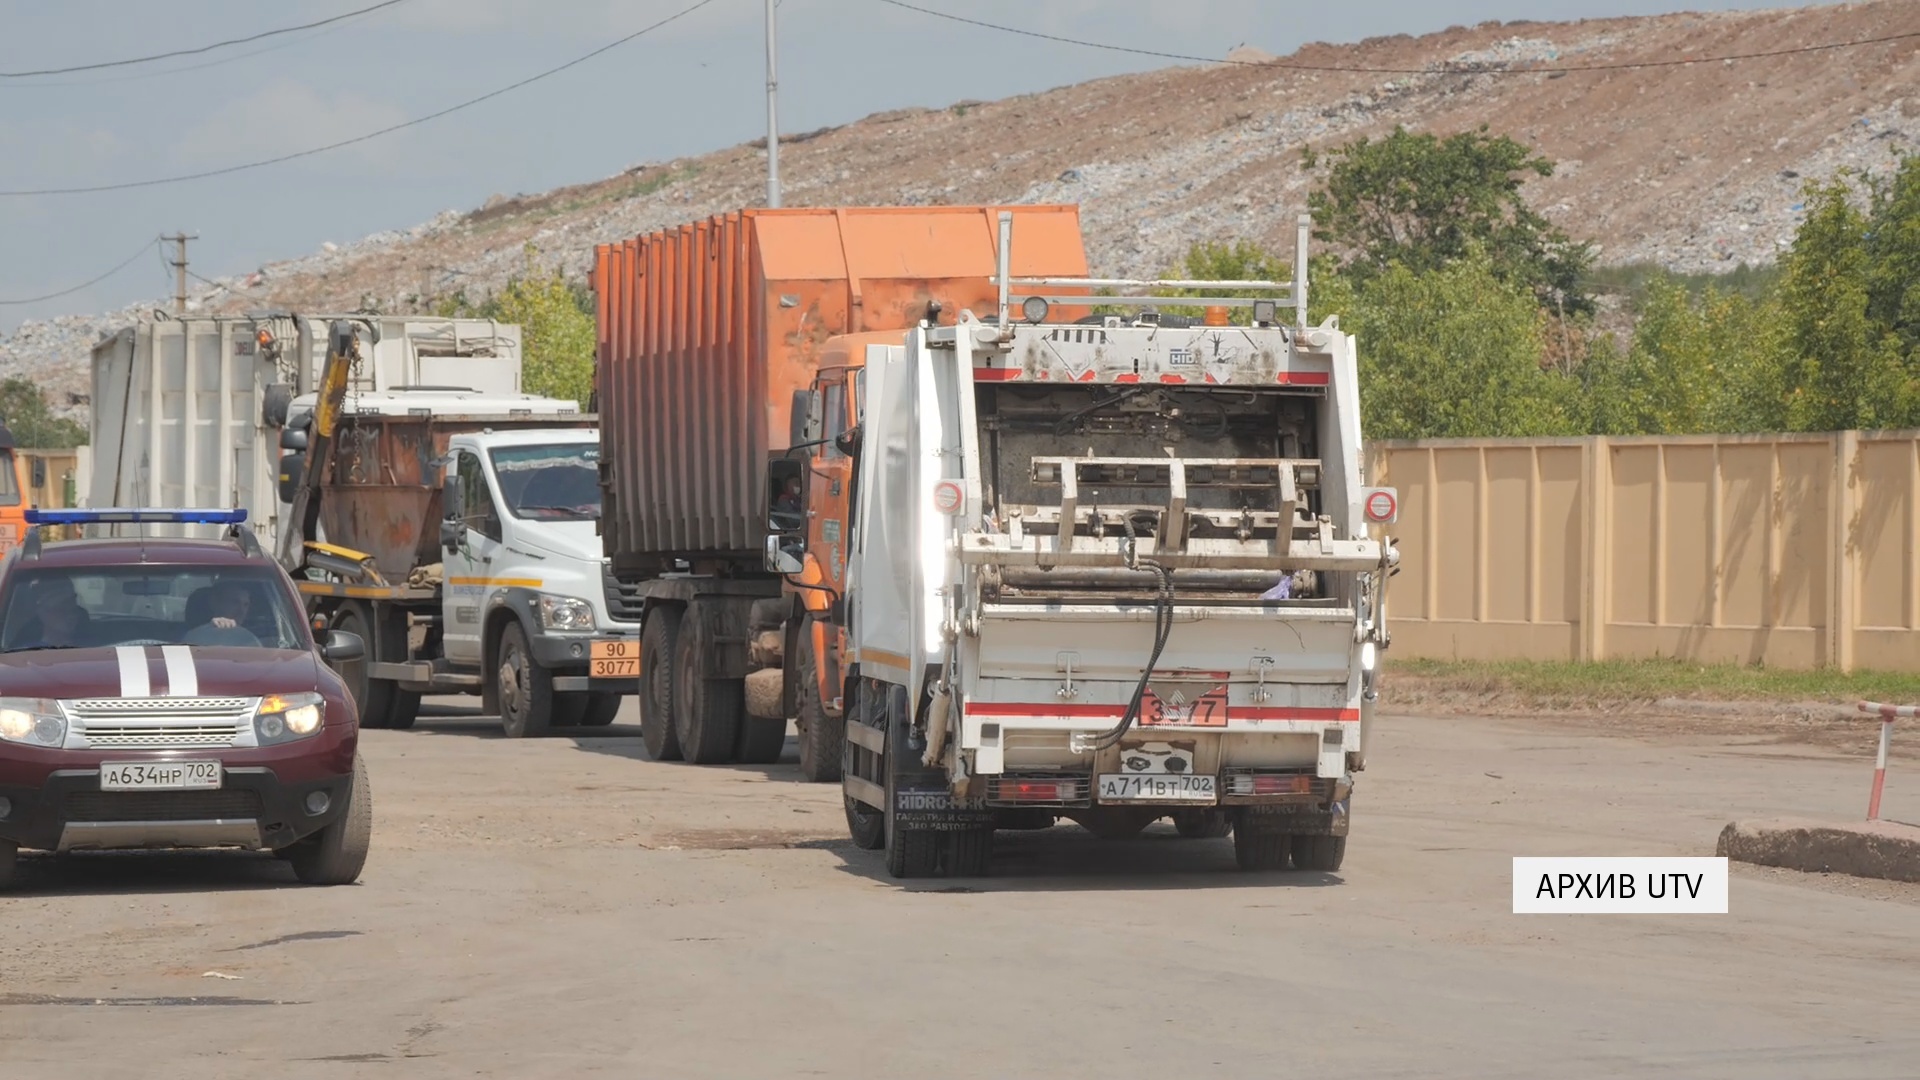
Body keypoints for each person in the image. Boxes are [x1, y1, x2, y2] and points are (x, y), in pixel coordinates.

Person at [13, 578, 89, 650]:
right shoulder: (26, 653)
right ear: (43, 613)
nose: (71, 616)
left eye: (73, 610)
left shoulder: (91, 647)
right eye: (62, 609)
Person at [182, 581, 263, 647]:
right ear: (214, 602)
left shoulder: (251, 639)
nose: (241, 611)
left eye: (246, 604)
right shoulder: (196, 637)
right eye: (235, 602)